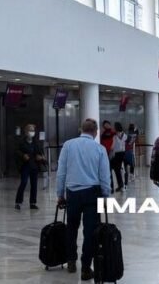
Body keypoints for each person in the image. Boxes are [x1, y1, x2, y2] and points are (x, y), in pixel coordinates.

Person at [56, 119, 111, 281]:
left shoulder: (68, 145)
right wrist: (106, 196)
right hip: (92, 194)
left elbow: (61, 172)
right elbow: (104, 176)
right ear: (95, 132)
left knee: (71, 228)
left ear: (81, 130)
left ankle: (71, 260)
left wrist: (60, 194)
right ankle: (86, 267)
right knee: (90, 232)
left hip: (72, 193)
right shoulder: (100, 149)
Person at [15, 124, 45, 210]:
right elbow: (16, 151)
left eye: (33, 130)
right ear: (26, 132)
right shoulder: (21, 142)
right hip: (25, 166)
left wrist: (40, 157)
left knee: (34, 185)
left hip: (34, 166)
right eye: (30, 130)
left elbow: (41, 153)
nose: (31, 132)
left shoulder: (36, 142)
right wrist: (23, 155)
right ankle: (18, 202)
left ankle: (33, 202)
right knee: (23, 182)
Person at [99, 121, 120, 192]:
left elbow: (116, 140)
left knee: (116, 170)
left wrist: (113, 149)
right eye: (105, 125)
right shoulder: (103, 133)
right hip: (105, 153)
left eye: (108, 124)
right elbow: (101, 142)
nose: (106, 126)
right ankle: (111, 187)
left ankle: (120, 185)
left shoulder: (113, 133)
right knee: (108, 171)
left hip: (112, 153)